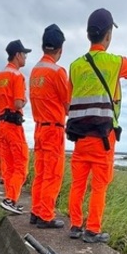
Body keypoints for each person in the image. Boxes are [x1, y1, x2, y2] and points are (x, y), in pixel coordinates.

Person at [67, 8, 127, 244]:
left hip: (80, 137)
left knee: (78, 183)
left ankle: (75, 225)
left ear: (88, 35)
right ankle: (92, 229)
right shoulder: (113, 62)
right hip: (103, 137)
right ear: (108, 35)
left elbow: (70, 99)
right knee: (99, 185)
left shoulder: (75, 66)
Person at [28, 24, 71, 229]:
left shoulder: (35, 71)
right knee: (53, 174)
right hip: (53, 129)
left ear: (43, 46)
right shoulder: (57, 72)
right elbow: (68, 105)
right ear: (60, 49)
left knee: (41, 172)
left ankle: (36, 211)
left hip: (39, 128)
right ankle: (46, 215)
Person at [0, 39, 31, 214]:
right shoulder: (17, 76)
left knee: (8, 165)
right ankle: (10, 199)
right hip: (14, 125)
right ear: (17, 55)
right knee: (21, 164)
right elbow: (18, 103)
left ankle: (9, 199)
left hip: (1, 126)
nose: (26, 58)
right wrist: (25, 99)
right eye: (24, 54)